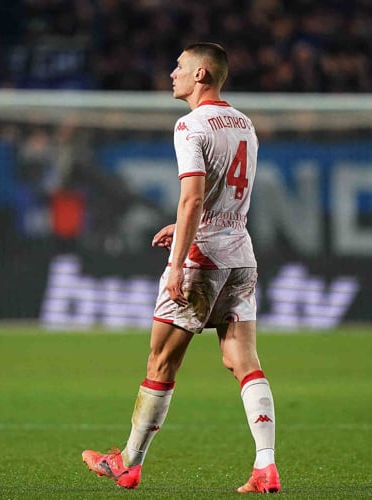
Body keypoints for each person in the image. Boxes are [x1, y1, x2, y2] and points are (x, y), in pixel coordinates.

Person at [82, 42, 281, 494]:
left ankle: (128, 463)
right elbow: (221, 198)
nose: (172, 73)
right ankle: (265, 465)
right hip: (241, 253)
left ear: (202, 75)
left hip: (202, 259)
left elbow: (192, 197)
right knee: (242, 360)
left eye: (180, 67)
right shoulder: (245, 124)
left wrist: (176, 264)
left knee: (161, 360)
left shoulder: (190, 126)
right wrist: (188, 224)